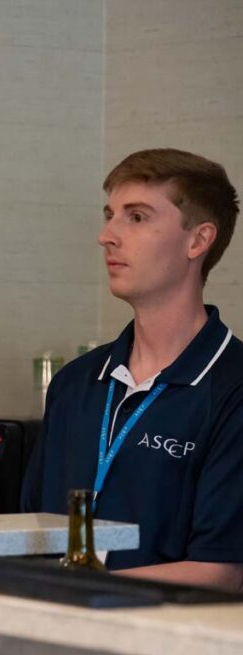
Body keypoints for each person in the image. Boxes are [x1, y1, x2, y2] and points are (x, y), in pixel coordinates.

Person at [22, 148, 243, 592]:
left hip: (166, 633)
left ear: (198, 241)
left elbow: (220, 572)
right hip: (57, 624)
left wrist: (75, 592)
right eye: (110, 216)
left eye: (137, 217)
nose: (107, 236)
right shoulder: (75, 381)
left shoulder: (232, 387)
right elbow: (29, 533)